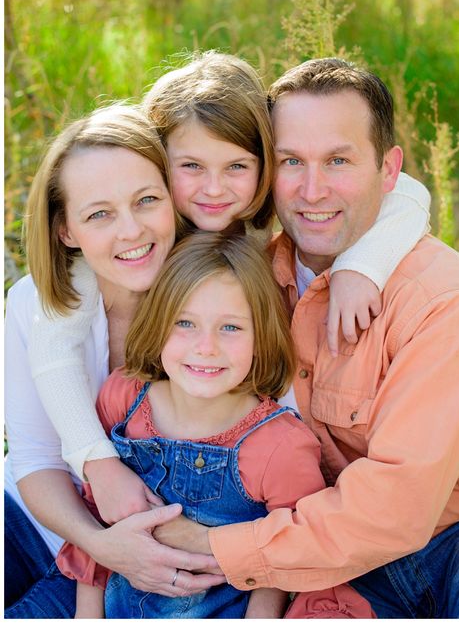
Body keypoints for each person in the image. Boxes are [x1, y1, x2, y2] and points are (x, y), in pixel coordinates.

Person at [5, 53, 430, 616]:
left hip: (201, 563)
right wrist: (103, 537)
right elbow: (35, 457)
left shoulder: (243, 277)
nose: (212, 189)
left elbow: (404, 193)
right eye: (190, 167)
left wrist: (362, 265)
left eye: (236, 165)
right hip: (66, 537)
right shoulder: (55, 294)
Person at [154, 58, 459, 619]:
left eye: (339, 161)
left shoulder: (442, 301)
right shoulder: (244, 280)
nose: (312, 189)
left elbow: (397, 507)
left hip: (448, 543)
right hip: (308, 556)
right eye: (291, 161)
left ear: (390, 170)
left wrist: (211, 547)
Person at [55, 232, 377, 619]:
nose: (206, 347)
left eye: (230, 328)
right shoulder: (123, 398)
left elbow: (282, 565)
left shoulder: (279, 446)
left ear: (261, 337)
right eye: (185, 323)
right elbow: (97, 520)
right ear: (158, 325)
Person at [4, 104, 222, 618]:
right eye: (99, 214)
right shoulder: (34, 303)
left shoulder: (218, 302)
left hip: (147, 561)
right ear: (66, 231)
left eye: (146, 201)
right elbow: (33, 459)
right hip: (38, 523)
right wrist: (100, 546)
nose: (131, 231)